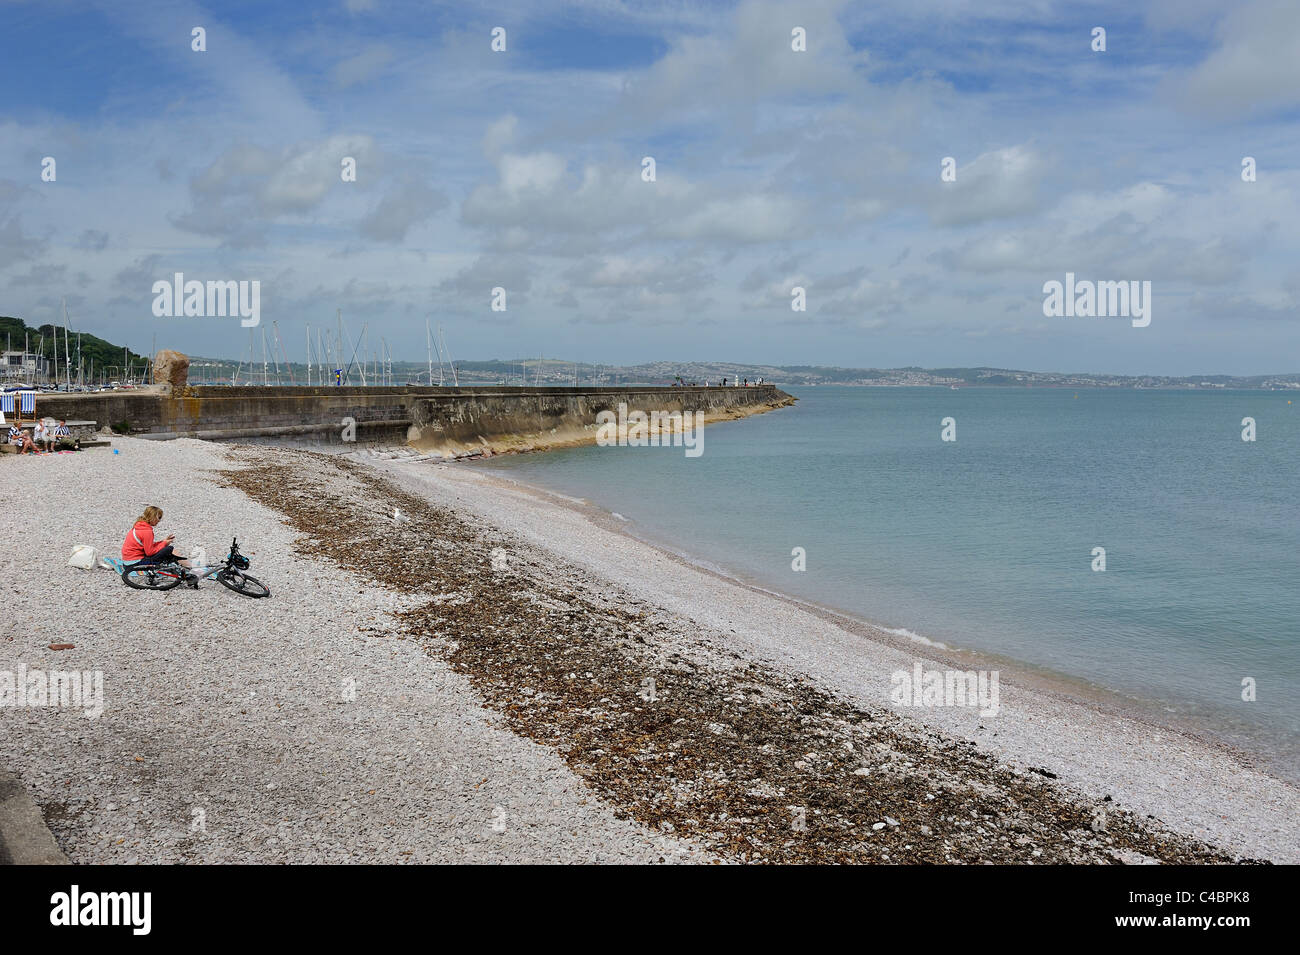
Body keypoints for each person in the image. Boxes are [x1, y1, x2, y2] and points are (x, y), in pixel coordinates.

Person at [123, 506, 197, 585]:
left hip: (128, 562)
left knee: (167, 549)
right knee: (170, 549)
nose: (159, 521)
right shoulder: (146, 531)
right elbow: (149, 552)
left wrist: (164, 542)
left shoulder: (139, 526)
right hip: (136, 564)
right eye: (159, 518)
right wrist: (164, 543)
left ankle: (188, 566)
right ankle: (191, 568)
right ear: (153, 517)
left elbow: (148, 546)